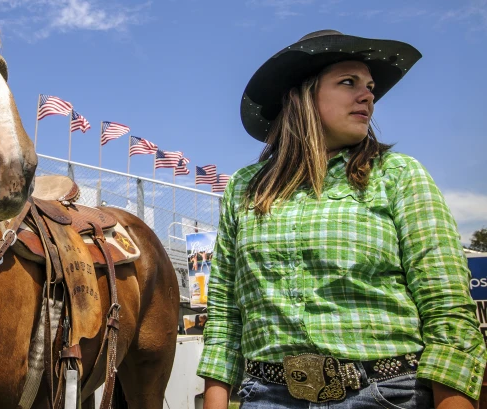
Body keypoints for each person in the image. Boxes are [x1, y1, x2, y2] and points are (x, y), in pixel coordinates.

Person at [197, 30, 486, 409]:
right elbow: (225, 312)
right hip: (265, 396)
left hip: (386, 393)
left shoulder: (398, 174)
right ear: (300, 96)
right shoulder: (244, 187)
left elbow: (445, 304)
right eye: (348, 82)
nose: (368, 95)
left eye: (369, 86)